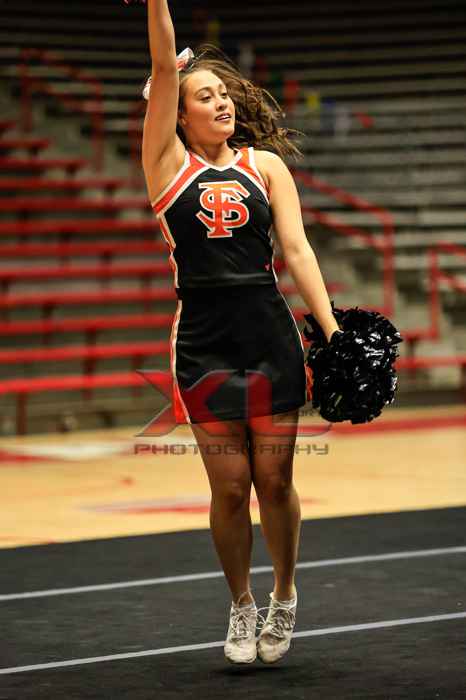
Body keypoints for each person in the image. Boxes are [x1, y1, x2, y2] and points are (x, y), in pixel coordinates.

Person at [141, 0, 341, 665]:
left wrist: (332, 330)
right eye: (204, 95)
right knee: (228, 488)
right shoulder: (165, 164)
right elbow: (162, 62)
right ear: (177, 113)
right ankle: (241, 604)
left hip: (267, 331)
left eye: (224, 93)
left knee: (275, 481)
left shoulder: (266, 166)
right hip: (203, 339)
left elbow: (298, 250)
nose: (221, 101)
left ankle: (284, 594)